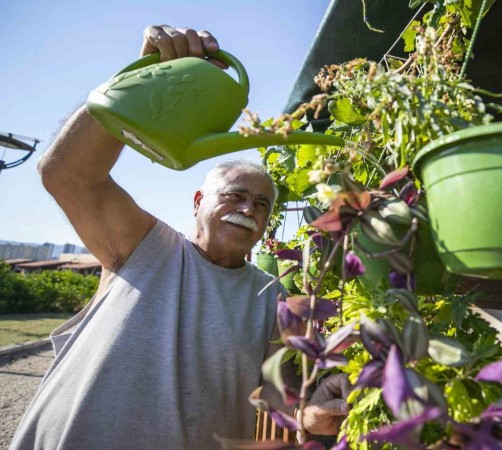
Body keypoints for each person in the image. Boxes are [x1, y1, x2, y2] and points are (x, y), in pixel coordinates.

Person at [10, 25, 347, 450]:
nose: (249, 210)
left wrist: (311, 415)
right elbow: (66, 173)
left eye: (262, 205)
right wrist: (141, 79)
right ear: (197, 200)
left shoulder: (273, 297)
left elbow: (277, 394)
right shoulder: (148, 247)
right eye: (236, 196)